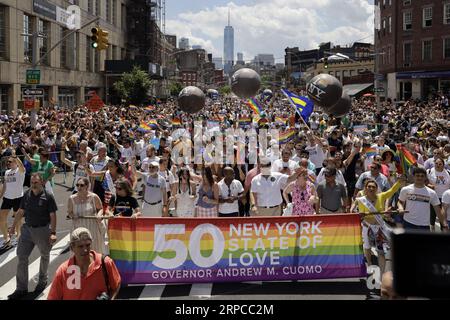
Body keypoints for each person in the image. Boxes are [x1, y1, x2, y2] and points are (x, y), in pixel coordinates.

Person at [7, 173, 58, 300]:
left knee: (44, 255)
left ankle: (42, 281)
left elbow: (53, 215)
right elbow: (20, 212)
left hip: (42, 230)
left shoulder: (48, 196)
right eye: (31, 182)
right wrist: (13, 227)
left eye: (35, 182)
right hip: (27, 230)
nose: (33, 184)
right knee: (22, 256)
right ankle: (21, 288)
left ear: (41, 182)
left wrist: (53, 233)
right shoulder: (27, 194)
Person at [47, 227, 121, 300]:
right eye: (80, 246)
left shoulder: (105, 263)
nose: (85, 250)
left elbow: (116, 284)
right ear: (72, 248)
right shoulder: (63, 271)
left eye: (88, 245)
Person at [352, 177, 406, 273]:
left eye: (373, 187)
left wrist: (398, 182)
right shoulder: (361, 200)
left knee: (380, 251)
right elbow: (359, 213)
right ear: (365, 188)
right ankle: (369, 264)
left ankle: (382, 272)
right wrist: (360, 214)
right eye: (369, 187)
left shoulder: (381, 196)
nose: (371, 189)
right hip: (367, 227)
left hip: (379, 228)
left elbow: (392, 191)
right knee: (367, 247)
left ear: (376, 188)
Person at [67, 177, 106, 254]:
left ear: (87, 186)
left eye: (81, 185)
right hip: (78, 228)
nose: (79, 187)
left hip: (92, 227)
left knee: (94, 250)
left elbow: (101, 209)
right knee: (80, 251)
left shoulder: (94, 197)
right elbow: (69, 212)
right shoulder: (71, 198)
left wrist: (99, 215)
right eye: (77, 185)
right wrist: (72, 216)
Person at [0, 153, 26, 248]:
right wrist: (0, 195)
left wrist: (16, 157)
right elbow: (5, 186)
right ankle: (7, 239)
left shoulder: (20, 171)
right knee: (1, 218)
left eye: (10, 161)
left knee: (18, 218)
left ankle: (19, 236)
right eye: (7, 162)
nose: (8, 163)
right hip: (7, 198)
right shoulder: (7, 172)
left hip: (18, 198)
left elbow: (22, 166)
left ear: (15, 162)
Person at [427, 157, 450, 231]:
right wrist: (429, 185)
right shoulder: (429, 171)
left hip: (445, 198)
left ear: (443, 165)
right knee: (432, 215)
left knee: (443, 215)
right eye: (436, 163)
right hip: (433, 196)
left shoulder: (448, 173)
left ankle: (443, 230)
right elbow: (424, 182)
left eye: (440, 164)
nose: (438, 165)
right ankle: (432, 230)